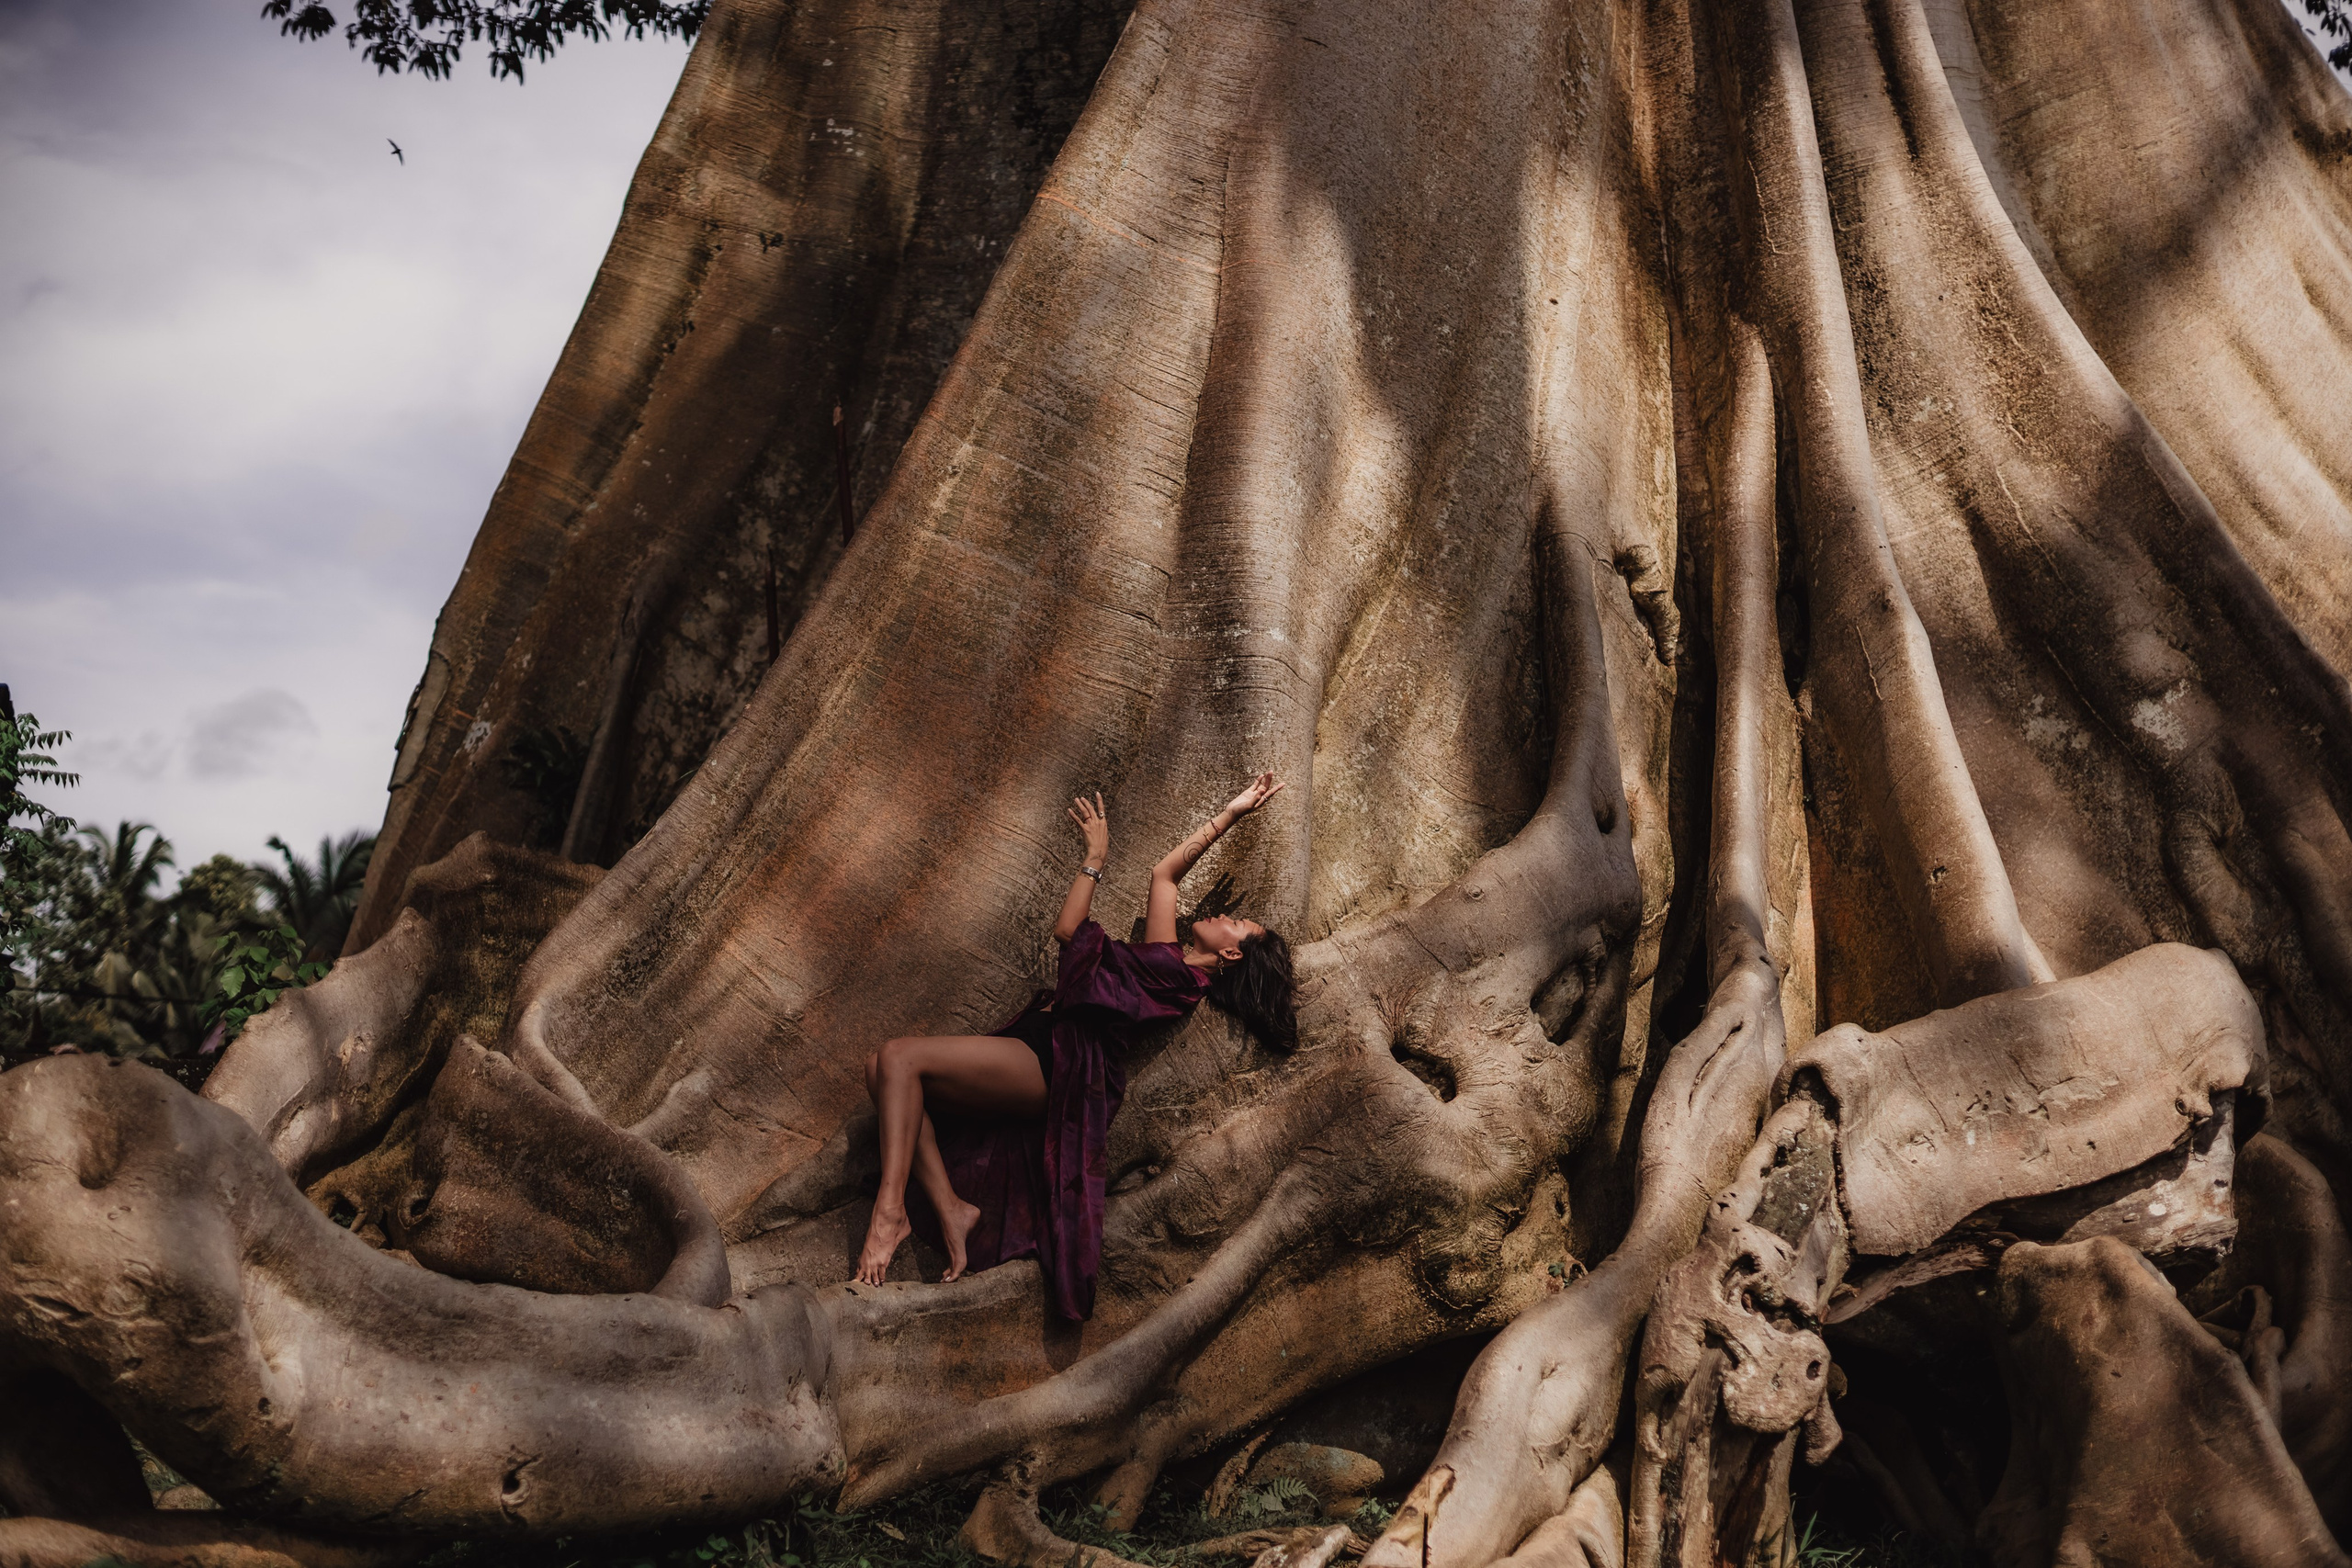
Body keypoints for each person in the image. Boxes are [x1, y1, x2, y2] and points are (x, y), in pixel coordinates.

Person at [854, 773, 1297, 1318]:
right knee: (882, 1070)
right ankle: (950, 1207)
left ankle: (889, 1212)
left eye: (1235, 923)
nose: (1222, 915)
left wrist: (1096, 856)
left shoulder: (1182, 982)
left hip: (1054, 1063)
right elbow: (1165, 875)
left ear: (1232, 956)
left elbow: (1070, 931)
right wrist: (1233, 813)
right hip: (1038, 1035)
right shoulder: (1169, 959)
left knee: (901, 1058)